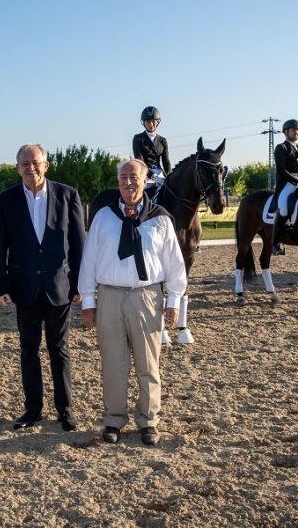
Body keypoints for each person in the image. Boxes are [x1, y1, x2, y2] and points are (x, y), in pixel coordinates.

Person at [79, 159, 186, 446]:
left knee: (148, 364)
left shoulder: (160, 219)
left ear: (145, 180)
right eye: (123, 177)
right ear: (118, 182)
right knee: (113, 363)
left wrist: (173, 300)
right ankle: (114, 419)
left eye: (134, 177)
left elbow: (175, 265)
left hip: (147, 297)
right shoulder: (103, 217)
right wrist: (88, 301)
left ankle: (148, 420)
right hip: (110, 297)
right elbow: (89, 261)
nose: (128, 182)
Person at [0, 144, 86, 432]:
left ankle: (65, 410)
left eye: (35, 162)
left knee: (60, 349)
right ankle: (32, 410)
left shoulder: (68, 196)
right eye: (24, 164)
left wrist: (81, 283)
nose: (30, 168)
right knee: (28, 350)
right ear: (17, 167)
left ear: (46, 165)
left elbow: (79, 244)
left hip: (60, 287)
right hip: (24, 288)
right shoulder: (5, 200)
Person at [271, 119, 298, 254]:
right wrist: (297, 182)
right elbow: (281, 170)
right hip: (287, 184)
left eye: (297, 130)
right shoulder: (281, 148)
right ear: (286, 132)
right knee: (283, 207)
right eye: (293, 130)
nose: (296, 132)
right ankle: (277, 242)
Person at [133, 106, 171, 195]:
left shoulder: (162, 140)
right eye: (148, 122)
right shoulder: (138, 139)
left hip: (160, 174)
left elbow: (166, 162)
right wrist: (152, 176)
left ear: (157, 122)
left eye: (153, 121)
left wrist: (170, 177)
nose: (151, 124)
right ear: (144, 123)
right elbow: (139, 161)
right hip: (145, 174)